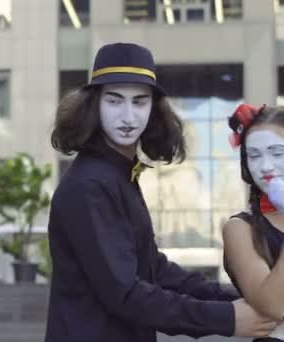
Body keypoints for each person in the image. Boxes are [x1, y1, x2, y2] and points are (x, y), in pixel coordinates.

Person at [45, 42, 276, 342]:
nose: (128, 117)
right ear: (94, 104)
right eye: (114, 101)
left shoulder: (119, 174)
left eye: (139, 102)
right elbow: (125, 293)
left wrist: (239, 297)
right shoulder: (89, 185)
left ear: (153, 109)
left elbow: (153, 268)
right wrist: (227, 318)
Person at [223, 104, 284, 341]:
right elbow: (275, 305)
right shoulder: (241, 228)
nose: (265, 167)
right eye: (254, 156)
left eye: (277, 153)